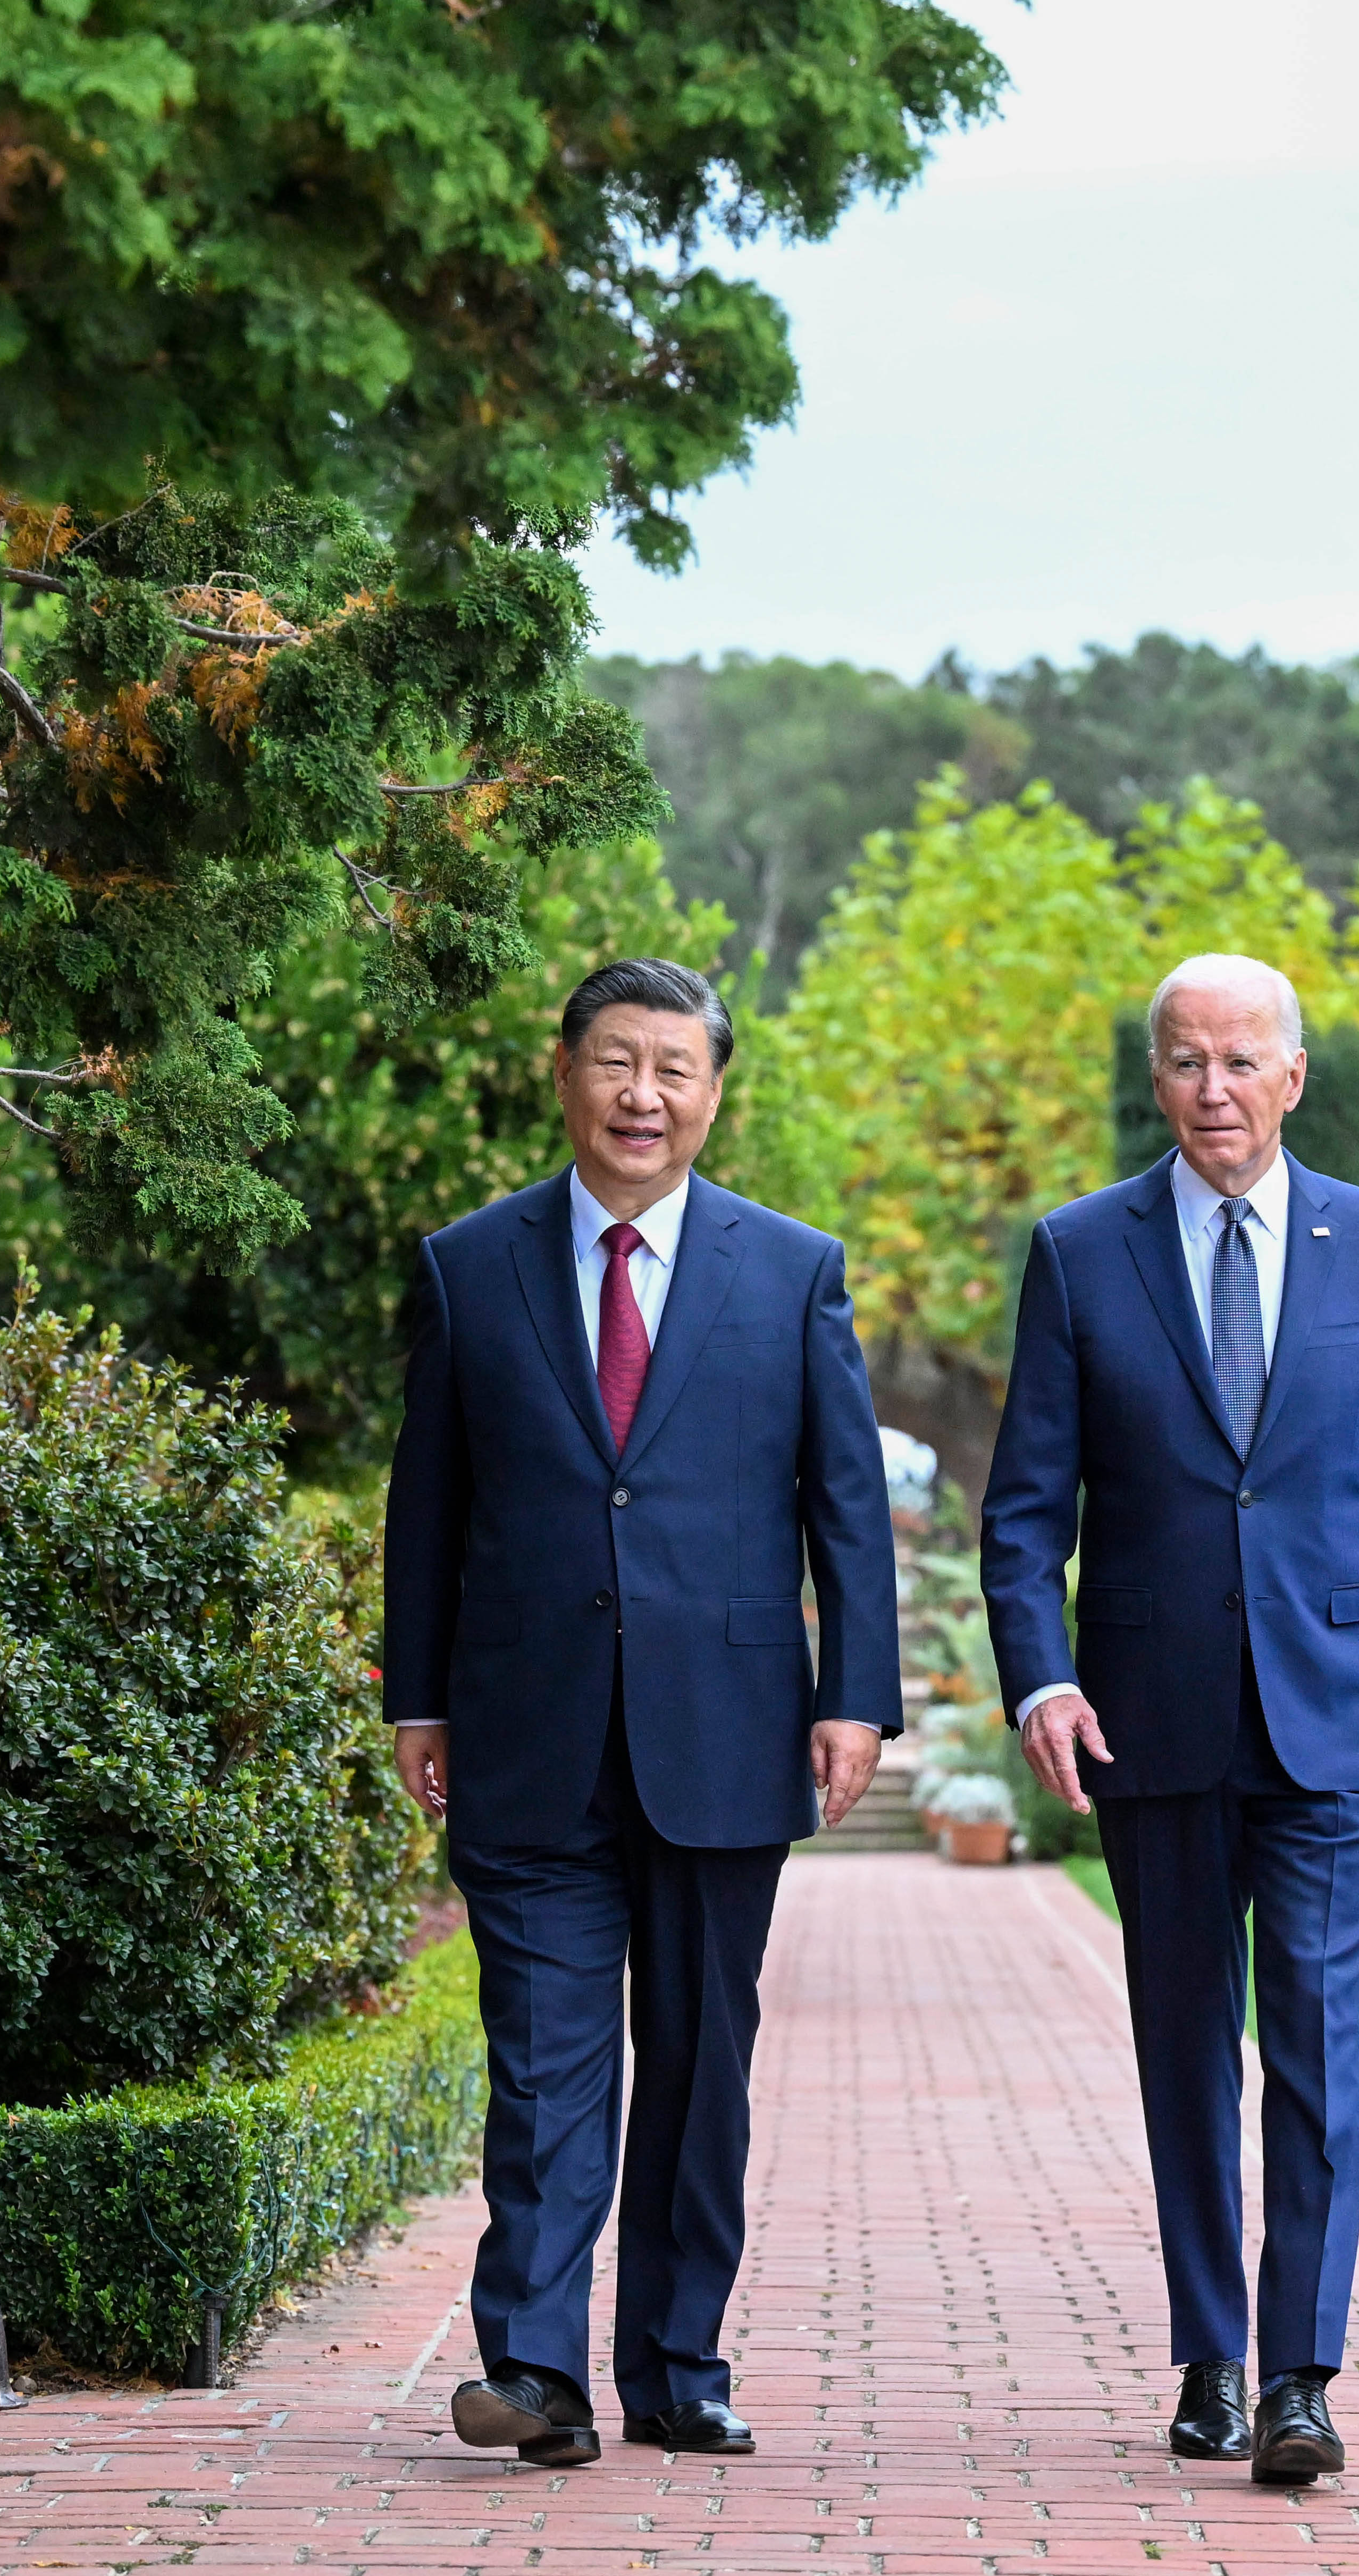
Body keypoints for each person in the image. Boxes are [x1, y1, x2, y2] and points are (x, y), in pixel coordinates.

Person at [981, 950, 1359, 2485]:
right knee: (1183, 2047)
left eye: (1241, 1061)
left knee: (1315, 2048)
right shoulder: (1082, 1254)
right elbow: (1026, 1512)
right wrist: (1042, 1672)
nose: (1214, 1090)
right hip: (1150, 1720)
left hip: (1338, 1717)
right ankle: (1209, 2356)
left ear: (1293, 1078)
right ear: (1158, 1080)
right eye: (1185, 1062)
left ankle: (1300, 2376)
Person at [383, 956, 902, 2468]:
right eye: (617, 1062)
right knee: (544, 2061)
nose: (643, 1096)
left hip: (728, 1728)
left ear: (714, 1094)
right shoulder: (469, 1266)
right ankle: (534, 2371)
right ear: (565, 1072)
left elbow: (846, 1504)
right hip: (526, 1727)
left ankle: (678, 2363)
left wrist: (854, 1696)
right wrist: (417, 1690)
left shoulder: (790, 1268)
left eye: (674, 1069)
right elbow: (433, 1505)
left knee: (694, 2062)